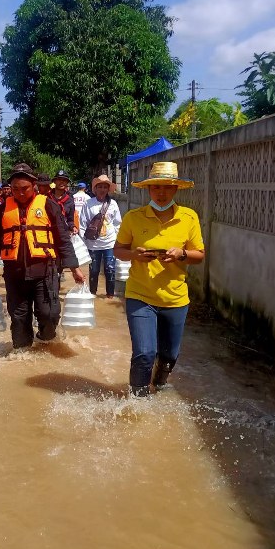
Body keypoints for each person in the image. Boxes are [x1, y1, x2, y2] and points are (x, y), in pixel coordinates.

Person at [113, 161, 205, 397]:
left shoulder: (189, 217)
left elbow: (199, 255)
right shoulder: (133, 217)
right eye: (156, 187)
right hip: (140, 295)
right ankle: (138, 401)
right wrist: (135, 254)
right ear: (148, 189)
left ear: (175, 189)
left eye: (167, 187)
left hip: (175, 298)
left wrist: (181, 254)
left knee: (169, 355)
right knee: (144, 353)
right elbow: (118, 250)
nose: (161, 193)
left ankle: (159, 387)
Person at [0, 163, 85, 349]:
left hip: (44, 271)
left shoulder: (49, 205)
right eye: (15, 189)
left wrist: (74, 267)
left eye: (25, 188)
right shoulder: (3, 208)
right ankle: (23, 355)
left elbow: (63, 239)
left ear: (34, 185)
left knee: (49, 314)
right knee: (19, 319)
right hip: (15, 274)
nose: (20, 193)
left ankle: (44, 342)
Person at [79, 174, 123, 298]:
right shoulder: (88, 203)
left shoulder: (113, 204)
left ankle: (110, 295)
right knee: (94, 270)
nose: (102, 189)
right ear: (95, 189)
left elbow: (117, 223)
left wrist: (117, 240)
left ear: (108, 189)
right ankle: (93, 294)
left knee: (110, 269)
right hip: (93, 244)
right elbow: (83, 223)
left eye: (105, 187)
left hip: (110, 242)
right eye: (100, 187)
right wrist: (83, 242)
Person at [52, 169, 76, 234]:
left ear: (67, 183)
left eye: (64, 180)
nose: (61, 182)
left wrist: (73, 227)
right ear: (54, 181)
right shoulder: (47, 198)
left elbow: (70, 220)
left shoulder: (70, 200)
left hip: (63, 233)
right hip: (48, 233)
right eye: (59, 179)